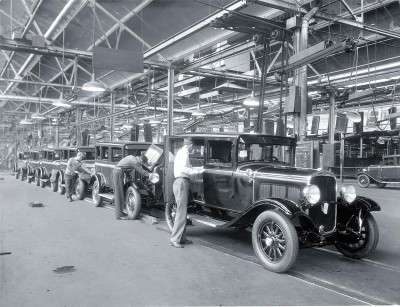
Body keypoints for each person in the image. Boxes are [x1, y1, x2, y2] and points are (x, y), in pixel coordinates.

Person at [170, 138, 203, 248]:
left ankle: (182, 237)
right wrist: (197, 171)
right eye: (193, 146)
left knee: (183, 212)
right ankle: (175, 239)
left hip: (181, 182)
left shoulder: (181, 152)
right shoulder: (184, 153)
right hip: (182, 182)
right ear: (190, 145)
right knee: (181, 212)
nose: (194, 149)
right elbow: (184, 169)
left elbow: (188, 167)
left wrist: (199, 168)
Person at [113, 153, 147, 219]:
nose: (141, 163)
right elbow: (141, 171)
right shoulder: (134, 161)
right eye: (142, 162)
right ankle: (119, 215)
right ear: (140, 159)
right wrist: (150, 175)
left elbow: (126, 167)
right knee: (118, 193)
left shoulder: (132, 157)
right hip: (118, 173)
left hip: (118, 172)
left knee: (120, 193)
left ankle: (120, 212)